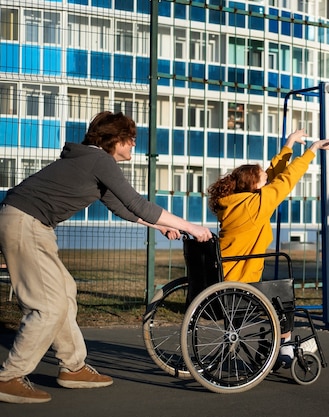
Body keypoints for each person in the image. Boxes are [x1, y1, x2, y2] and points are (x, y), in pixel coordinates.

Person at [0, 111, 212, 404]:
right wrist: (190, 226)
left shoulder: (92, 162)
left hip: (32, 224)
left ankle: (73, 367)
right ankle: (9, 377)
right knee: (48, 306)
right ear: (116, 139)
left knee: (65, 292)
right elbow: (137, 202)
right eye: (131, 140)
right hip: (26, 223)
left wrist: (160, 225)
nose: (133, 146)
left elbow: (123, 208)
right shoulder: (99, 160)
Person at [208, 129, 329, 363]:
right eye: (262, 179)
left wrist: (289, 145)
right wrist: (311, 150)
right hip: (241, 283)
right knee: (284, 296)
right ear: (254, 187)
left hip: (224, 280)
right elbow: (285, 180)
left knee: (277, 293)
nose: (267, 179)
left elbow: (273, 177)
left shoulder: (237, 203)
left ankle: (279, 345)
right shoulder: (255, 206)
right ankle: (285, 347)